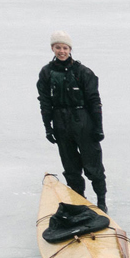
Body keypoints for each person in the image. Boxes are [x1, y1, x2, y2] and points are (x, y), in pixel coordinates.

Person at [37, 32, 108, 211]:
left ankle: (101, 202)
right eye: (58, 47)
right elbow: (44, 102)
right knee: (71, 167)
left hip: (83, 122)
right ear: (52, 48)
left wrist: (98, 127)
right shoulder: (47, 72)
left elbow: (94, 100)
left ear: (70, 49)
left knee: (93, 165)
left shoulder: (83, 72)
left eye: (65, 48)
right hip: (61, 123)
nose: (61, 51)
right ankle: (80, 201)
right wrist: (48, 127)